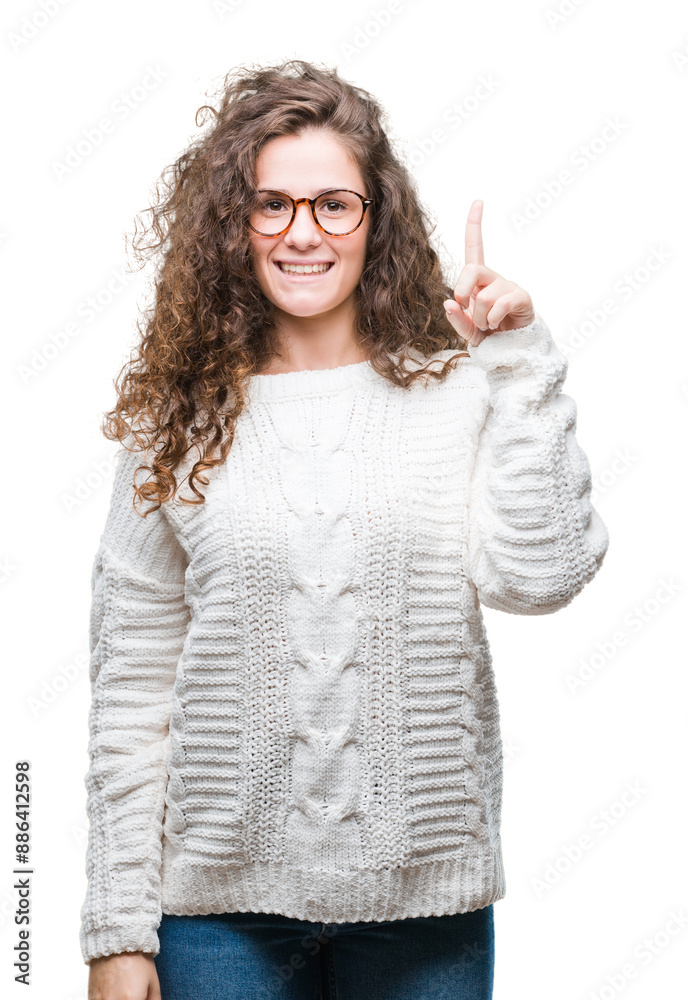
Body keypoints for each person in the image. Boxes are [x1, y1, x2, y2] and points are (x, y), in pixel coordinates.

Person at [80, 58, 610, 1000]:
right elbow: (130, 688)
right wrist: (116, 929)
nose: (302, 233)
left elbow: (542, 574)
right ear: (231, 225)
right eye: (271, 205)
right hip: (215, 915)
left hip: (426, 911)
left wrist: (520, 360)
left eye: (334, 204)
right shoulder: (177, 421)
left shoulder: (459, 392)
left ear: (377, 220)